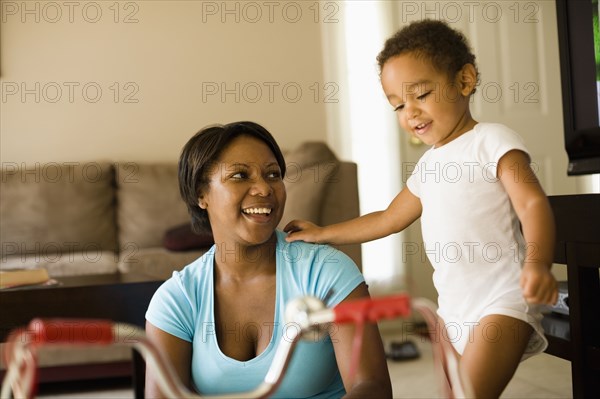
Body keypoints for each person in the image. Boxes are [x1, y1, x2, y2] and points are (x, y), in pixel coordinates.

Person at [285, 20, 558, 398]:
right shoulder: (428, 166)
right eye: (398, 105)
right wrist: (321, 232)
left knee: (470, 394)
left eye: (422, 94)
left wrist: (538, 264)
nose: (409, 112)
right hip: (452, 311)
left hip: (504, 299)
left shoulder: (492, 140)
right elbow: (387, 219)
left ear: (464, 81)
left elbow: (532, 203)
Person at [144, 121, 392, 398]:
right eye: (239, 175)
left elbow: (372, 387)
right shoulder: (177, 299)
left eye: (273, 174)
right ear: (201, 194)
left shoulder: (326, 270)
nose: (264, 188)